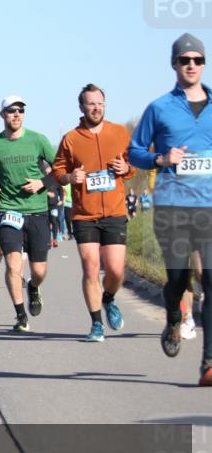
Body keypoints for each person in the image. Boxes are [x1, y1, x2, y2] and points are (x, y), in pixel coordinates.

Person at [128, 32, 212, 386]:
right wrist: (160, 158)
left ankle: (209, 362)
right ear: (174, 64)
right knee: (179, 277)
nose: (191, 65)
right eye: (184, 60)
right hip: (173, 206)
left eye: (197, 60)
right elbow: (134, 151)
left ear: (203, 64)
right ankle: (175, 318)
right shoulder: (159, 107)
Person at [51, 83, 135, 343]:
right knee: (90, 267)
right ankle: (96, 324)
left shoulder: (119, 133)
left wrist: (126, 168)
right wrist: (69, 176)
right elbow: (57, 172)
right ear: (82, 107)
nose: (96, 108)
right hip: (84, 214)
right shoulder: (71, 138)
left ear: (104, 105)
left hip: (114, 211)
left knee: (116, 270)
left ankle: (108, 298)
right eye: (91, 103)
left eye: (100, 103)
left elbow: (135, 163)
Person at [0, 95, 56, 332]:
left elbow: (60, 169)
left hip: (37, 211)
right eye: (11, 111)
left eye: (21, 110)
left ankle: (33, 287)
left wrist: (42, 183)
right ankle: (21, 315)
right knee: (13, 265)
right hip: (10, 211)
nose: (17, 114)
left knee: (39, 270)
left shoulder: (38, 140)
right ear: (2, 115)